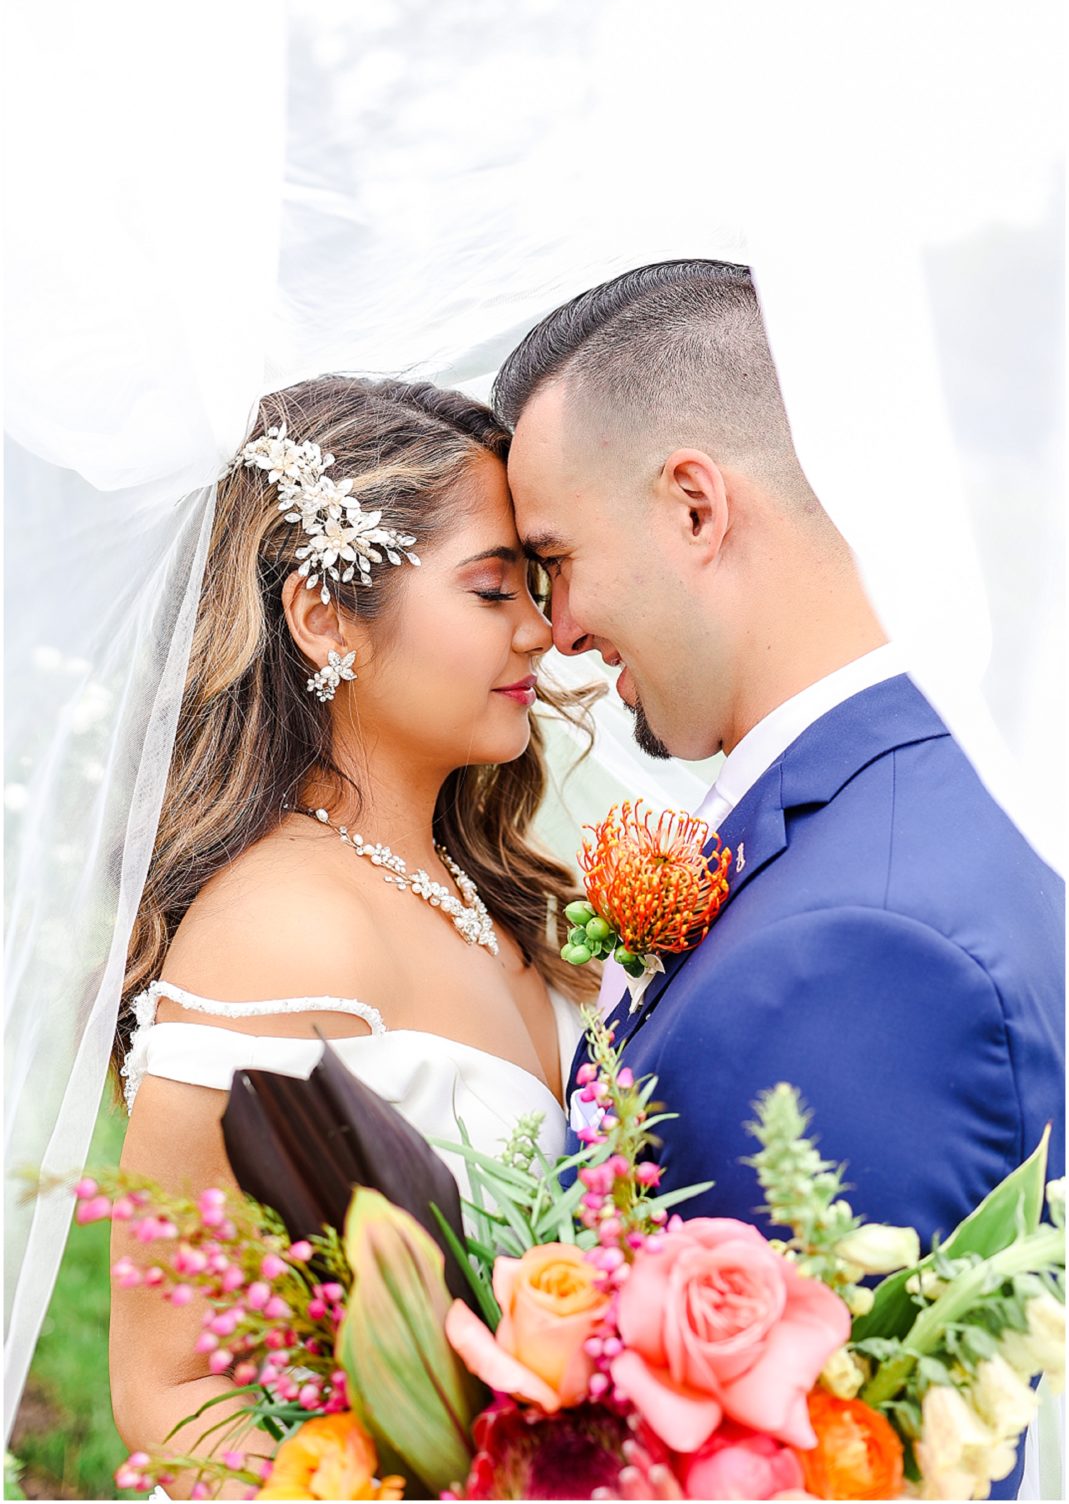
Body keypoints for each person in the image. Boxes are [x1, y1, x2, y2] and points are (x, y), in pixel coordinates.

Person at [496, 259, 1065, 1501]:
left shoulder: (865, 946)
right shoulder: (912, 795)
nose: (556, 628)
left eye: (555, 558)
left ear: (696, 506)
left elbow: (838, 1457)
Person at [108, 376, 598, 1494]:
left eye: (534, 584)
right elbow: (173, 1387)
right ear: (324, 616)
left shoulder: (493, 887)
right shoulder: (279, 931)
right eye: (490, 589)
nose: (540, 629)